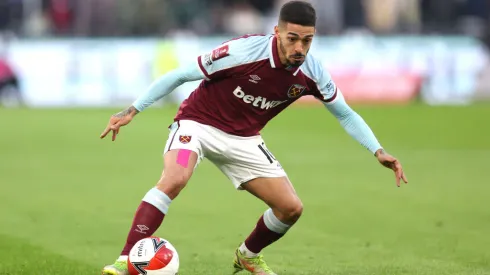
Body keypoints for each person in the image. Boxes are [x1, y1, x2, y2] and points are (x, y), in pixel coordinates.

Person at [100, 1, 408, 274]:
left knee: (291, 208)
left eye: (307, 41)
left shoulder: (312, 73)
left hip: (245, 140)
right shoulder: (242, 52)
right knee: (174, 179)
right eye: (292, 39)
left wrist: (377, 150)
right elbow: (180, 75)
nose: (299, 48)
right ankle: (126, 260)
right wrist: (133, 110)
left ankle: (247, 256)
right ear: (277, 32)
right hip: (197, 125)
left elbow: (345, 113)